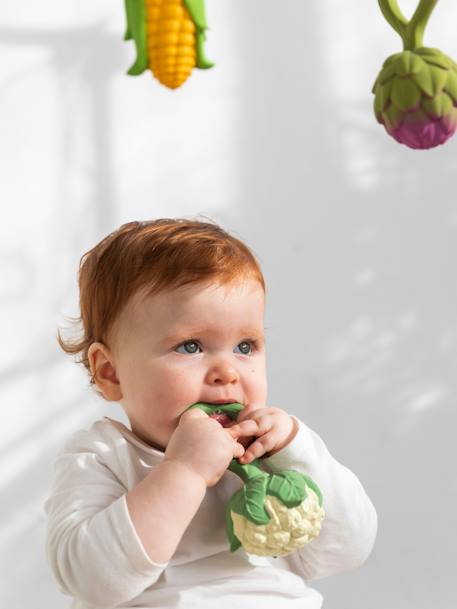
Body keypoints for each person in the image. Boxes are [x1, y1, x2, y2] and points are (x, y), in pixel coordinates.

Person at [45, 218, 377, 609]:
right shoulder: (102, 457)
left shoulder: (269, 452)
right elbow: (90, 580)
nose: (228, 372)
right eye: (190, 347)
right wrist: (184, 471)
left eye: (245, 346)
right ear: (111, 372)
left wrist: (296, 447)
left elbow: (349, 549)